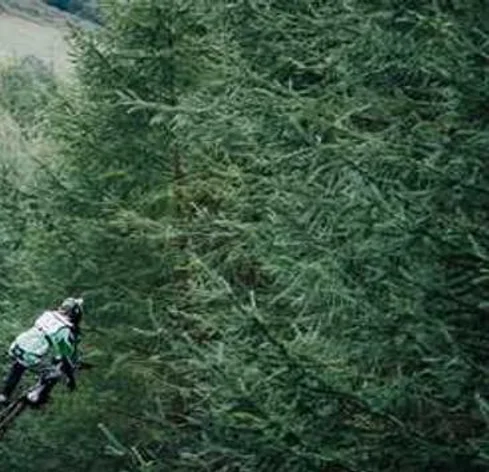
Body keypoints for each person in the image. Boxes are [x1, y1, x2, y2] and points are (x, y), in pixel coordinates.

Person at [0, 297, 84, 405]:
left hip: (17, 346)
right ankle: (35, 396)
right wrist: (71, 378)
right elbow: (65, 356)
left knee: (19, 366)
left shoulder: (47, 315)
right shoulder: (64, 329)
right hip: (30, 356)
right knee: (54, 373)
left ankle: (4, 395)